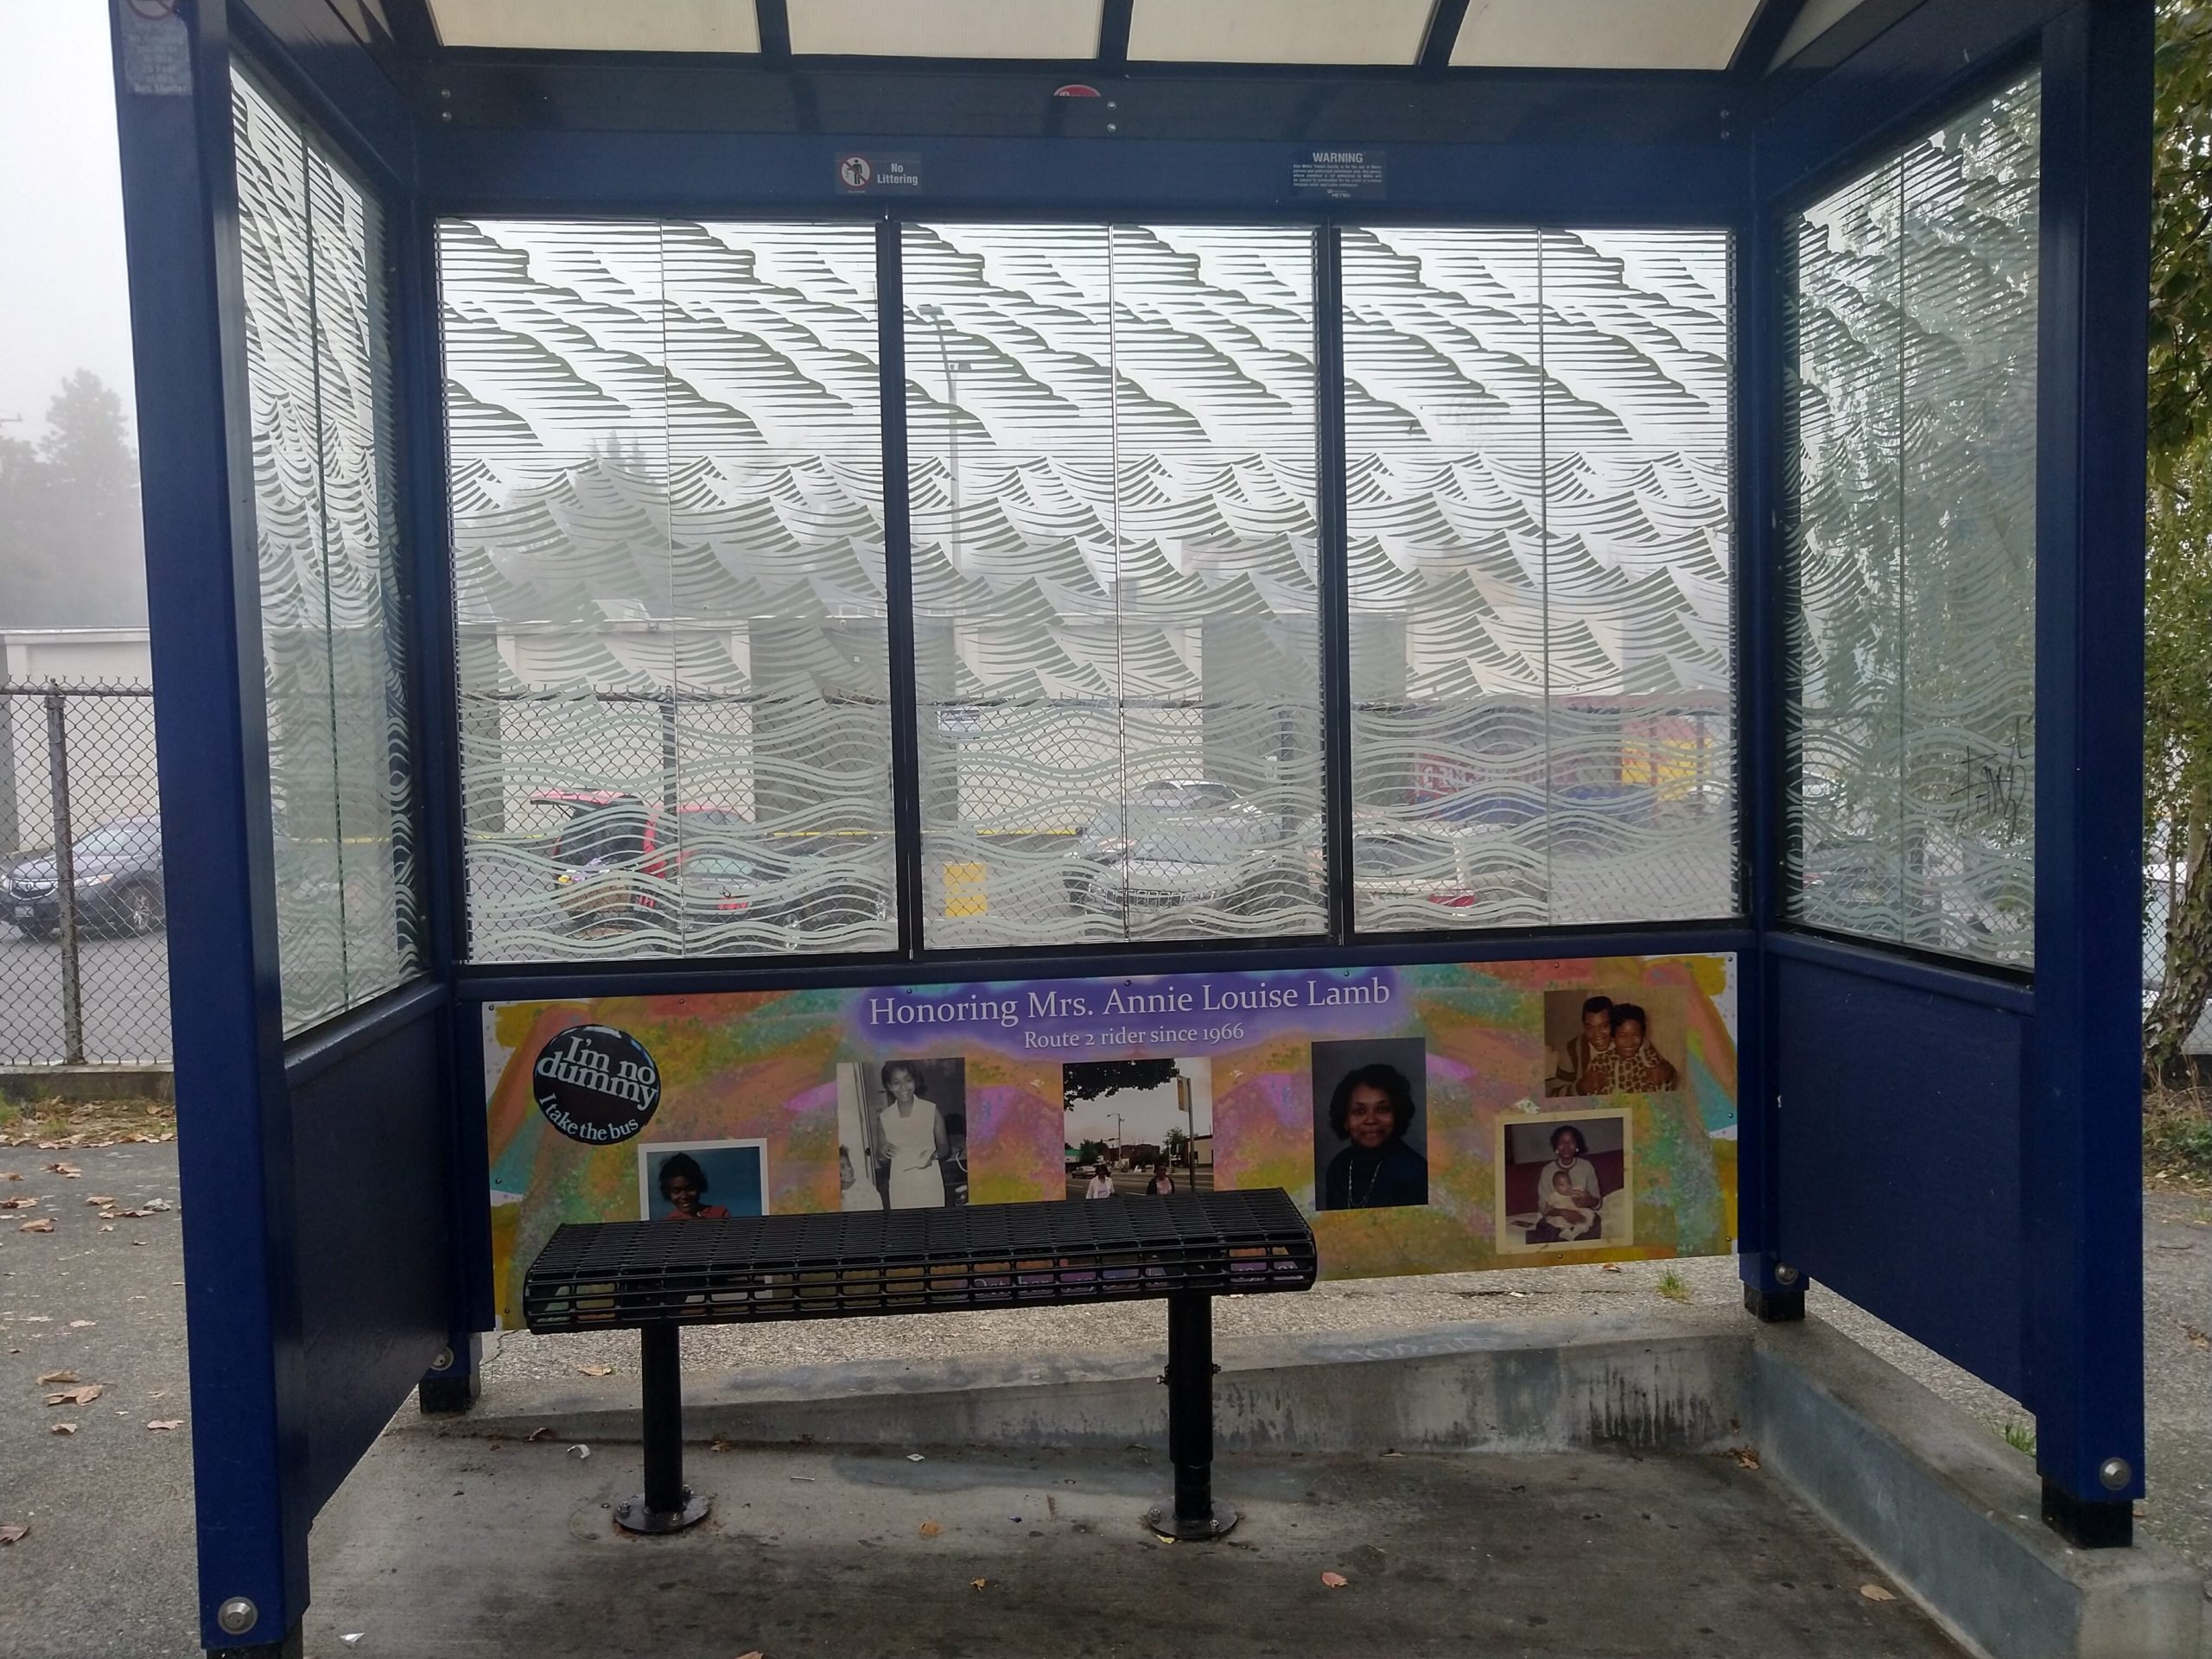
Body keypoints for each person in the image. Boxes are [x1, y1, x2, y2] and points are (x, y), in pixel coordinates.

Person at [1319, 1062, 1428, 1210]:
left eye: (1382, 1109)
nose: (1371, 1120)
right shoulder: (1338, 1166)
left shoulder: (1416, 1171)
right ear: (1345, 1120)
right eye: (1359, 1112)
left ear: (1398, 1114)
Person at [876, 1060, 948, 1209]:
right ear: (889, 1086)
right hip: (901, 1184)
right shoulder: (885, 1118)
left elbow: (945, 1147)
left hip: (929, 1180)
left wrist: (933, 1155)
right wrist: (882, 1151)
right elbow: (881, 1158)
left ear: (915, 1081)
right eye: (896, 1082)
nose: (903, 1087)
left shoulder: (931, 1110)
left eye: (908, 1080)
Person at [1577, 1001, 1679, 1095]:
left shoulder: (1649, 1059)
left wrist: (1667, 1074)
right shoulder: (1600, 1063)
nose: (1629, 1042)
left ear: (1642, 1035)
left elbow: (1668, 1078)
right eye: (1623, 1035)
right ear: (1613, 1037)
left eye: (1635, 1035)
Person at [1524, 1124, 1604, 1243]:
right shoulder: (1547, 1171)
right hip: (1557, 1216)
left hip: (1582, 1215)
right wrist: (1562, 1212)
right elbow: (1543, 1206)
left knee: (1591, 1225)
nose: (1567, 1146)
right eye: (1562, 1142)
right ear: (1556, 1146)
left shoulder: (1587, 1167)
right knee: (1550, 1233)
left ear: (1577, 1146)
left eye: (1571, 1142)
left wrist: (1588, 1201)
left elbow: (1597, 1202)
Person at [1550, 996, 1612, 1096]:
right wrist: (1581, 1087)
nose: (1597, 1035)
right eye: (1590, 1028)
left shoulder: (1628, 1043)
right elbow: (1554, 1095)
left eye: (1604, 1026)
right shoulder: (1572, 1050)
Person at [655, 1152, 730, 1221]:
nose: (684, 1196)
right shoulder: (666, 1225)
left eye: (690, 1189)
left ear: (699, 1187)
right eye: (677, 1191)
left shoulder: (720, 1214)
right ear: (668, 1192)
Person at [1540, 1167, 1595, 1242]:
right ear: (1556, 1188)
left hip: (1577, 1211)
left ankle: (1580, 1229)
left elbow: (1587, 1196)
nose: (1567, 1187)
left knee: (1587, 1214)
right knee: (1559, 1220)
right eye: (1562, 1185)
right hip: (1563, 1215)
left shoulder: (1576, 1189)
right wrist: (1544, 1213)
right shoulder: (1554, 1196)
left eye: (1568, 1183)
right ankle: (1566, 1232)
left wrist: (1576, 1192)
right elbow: (1548, 1208)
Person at [838, 1144, 882, 1212]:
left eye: (849, 1163)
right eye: (842, 1167)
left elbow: (878, 1205)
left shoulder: (864, 1184)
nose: (849, 1168)